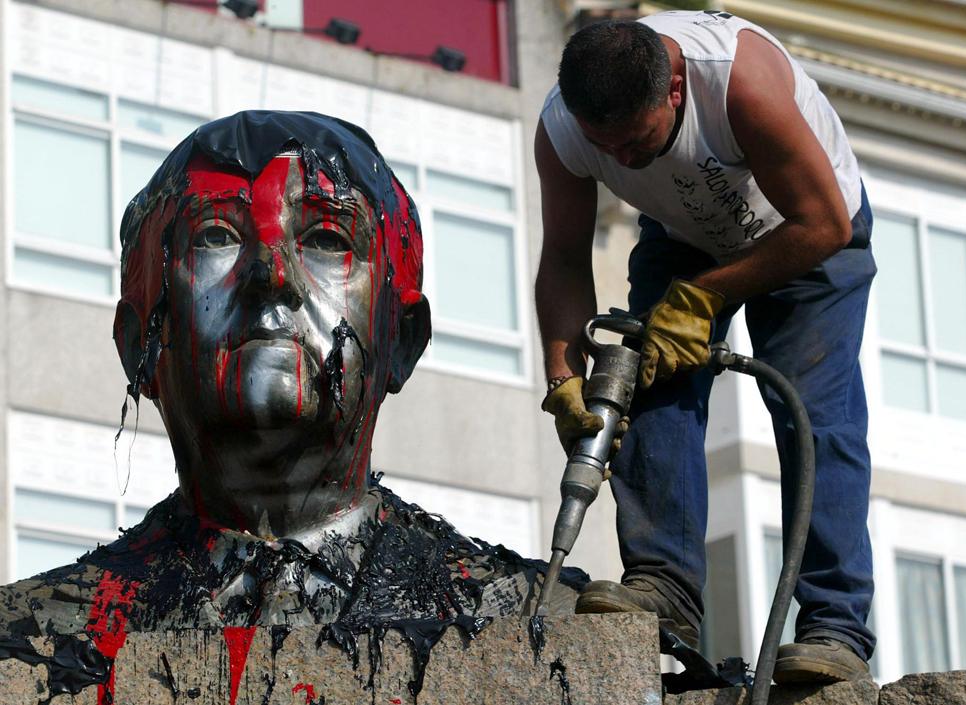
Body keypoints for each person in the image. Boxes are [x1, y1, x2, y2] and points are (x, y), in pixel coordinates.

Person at [0, 112, 582, 657]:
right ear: (137, 348)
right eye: (216, 236)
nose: (272, 275)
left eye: (328, 240)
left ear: (401, 340)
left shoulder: (539, 621)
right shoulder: (33, 637)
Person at [535, 11, 876, 683]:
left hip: (805, 228)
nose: (624, 161)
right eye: (610, 149)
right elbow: (565, 260)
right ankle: (663, 588)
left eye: (637, 142)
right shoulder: (563, 132)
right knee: (649, 378)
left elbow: (826, 222)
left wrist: (701, 298)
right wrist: (562, 375)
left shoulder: (739, 80)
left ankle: (835, 626)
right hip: (687, 232)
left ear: (674, 88)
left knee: (815, 417)